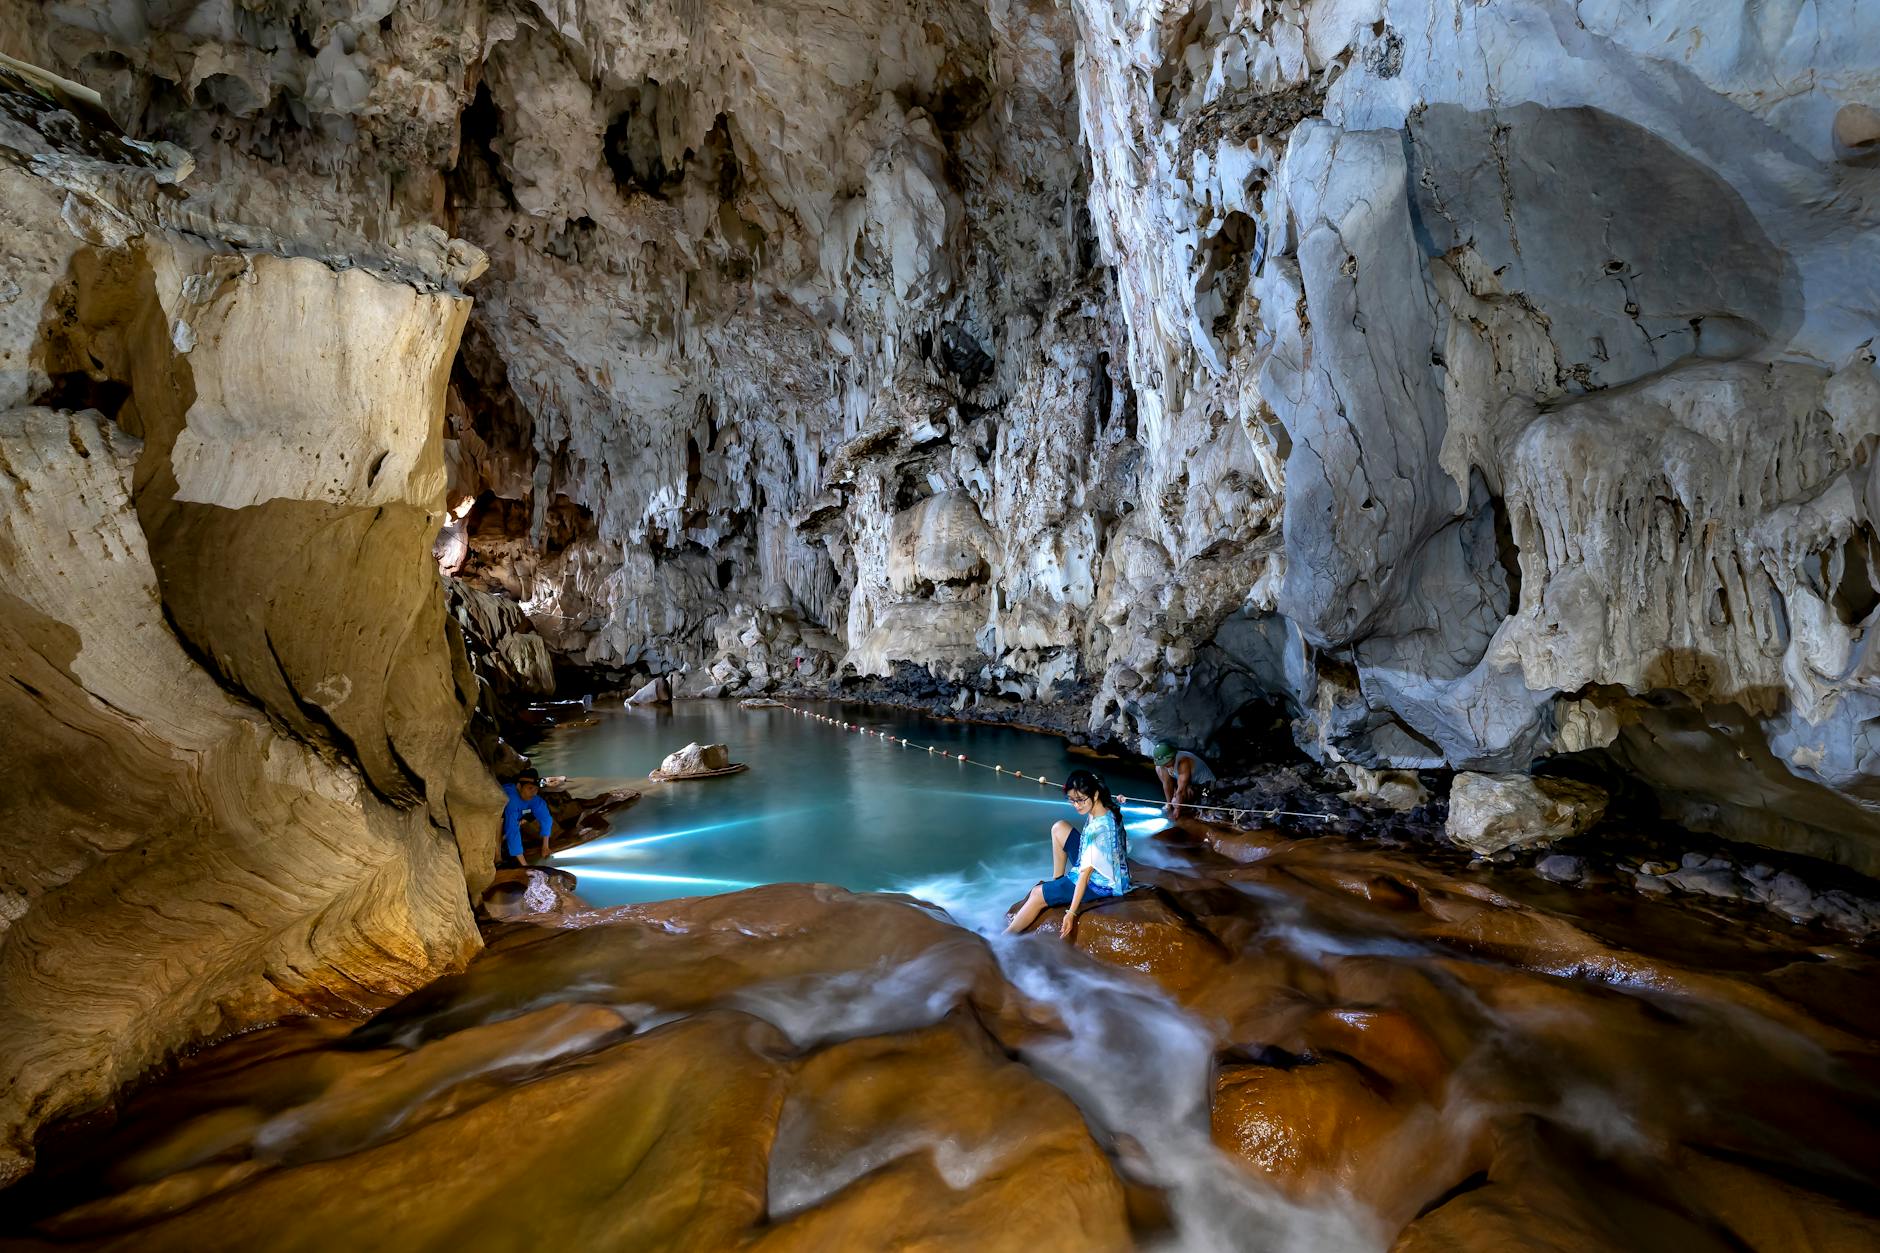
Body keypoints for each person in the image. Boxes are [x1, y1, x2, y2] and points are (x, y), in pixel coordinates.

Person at [1005, 769, 1131, 939]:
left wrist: (1071, 913)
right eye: (1072, 800)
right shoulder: (1104, 803)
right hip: (1103, 863)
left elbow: (1085, 875)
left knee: (1037, 893)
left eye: (1080, 800)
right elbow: (1098, 778)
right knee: (1059, 828)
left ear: (1094, 795)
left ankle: (1004, 937)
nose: (1077, 805)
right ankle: (1058, 880)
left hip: (1102, 884)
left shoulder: (1098, 831)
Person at [499, 768, 554, 867]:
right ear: (519, 786)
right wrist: (525, 866)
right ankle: (498, 855)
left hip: (520, 813)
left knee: (540, 811)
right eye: (530, 788)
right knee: (508, 829)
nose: (533, 793)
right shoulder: (512, 800)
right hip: (501, 817)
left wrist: (545, 846)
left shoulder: (534, 798)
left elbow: (546, 818)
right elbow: (513, 830)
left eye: (536, 789)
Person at [1153, 742, 1216, 821]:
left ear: (1172, 756)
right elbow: (1166, 783)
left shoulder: (1183, 762)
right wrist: (1169, 804)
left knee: (1183, 797)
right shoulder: (1163, 765)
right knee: (1159, 768)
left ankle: (1183, 805)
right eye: (1163, 763)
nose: (1164, 764)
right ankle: (1173, 802)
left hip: (1206, 784)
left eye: (1166, 762)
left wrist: (1177, 809)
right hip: (1189, 782)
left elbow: (1181, 791)